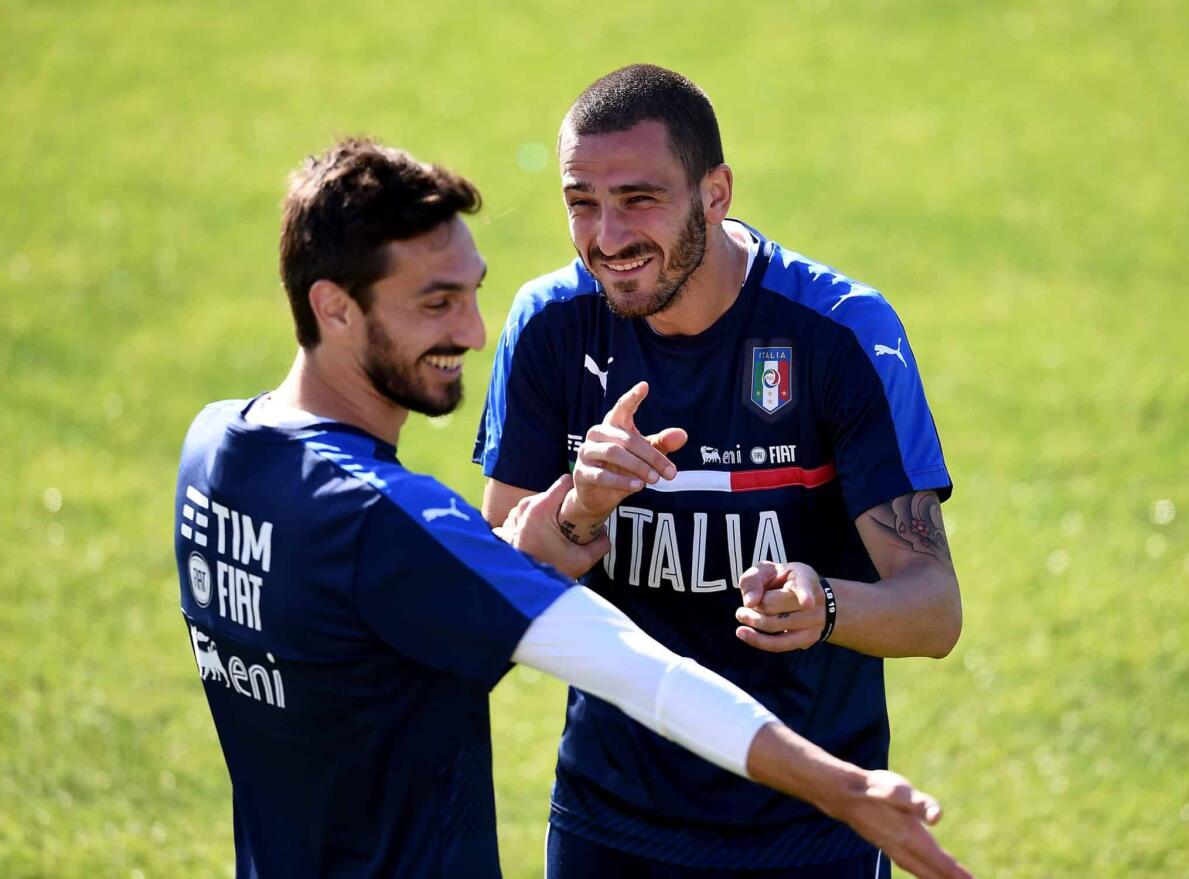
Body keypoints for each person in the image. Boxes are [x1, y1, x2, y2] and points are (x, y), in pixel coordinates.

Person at [174, 138, 970, 879]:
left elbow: (488, 581)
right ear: (335, 307)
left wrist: (582, 513)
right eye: (436, 303)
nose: (476, 331)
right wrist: (841, 787)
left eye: (472, 294)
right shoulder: (390, 524)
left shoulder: (214, 450)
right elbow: (641, 674)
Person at [475, 65, 963, 879]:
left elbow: (934, 610)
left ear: (716, 191)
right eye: (580, 202)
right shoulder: (549, 326)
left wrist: (826, 605)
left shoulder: (836, 332)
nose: (606, 236)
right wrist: (579, 514)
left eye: (639, 199)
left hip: (812, 823)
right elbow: (492, 598)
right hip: (611, 820)